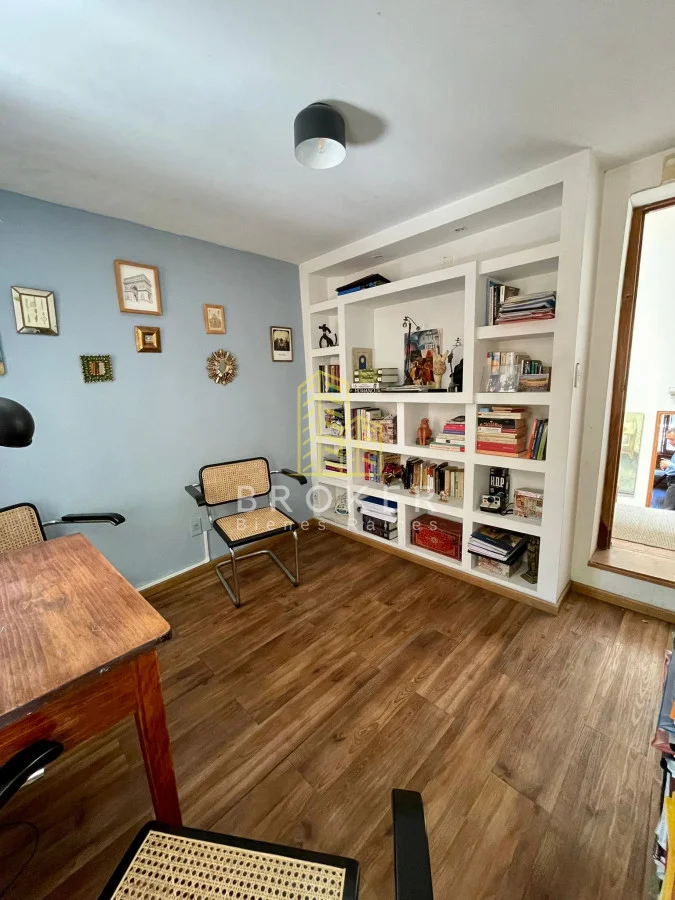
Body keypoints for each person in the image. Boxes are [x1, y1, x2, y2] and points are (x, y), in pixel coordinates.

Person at [659, 428, 675, 510]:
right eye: (668, 440)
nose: (670, 442)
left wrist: (669, 464)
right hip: (671, 480)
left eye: (672, 439)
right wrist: (667, 466)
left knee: (667, 509)